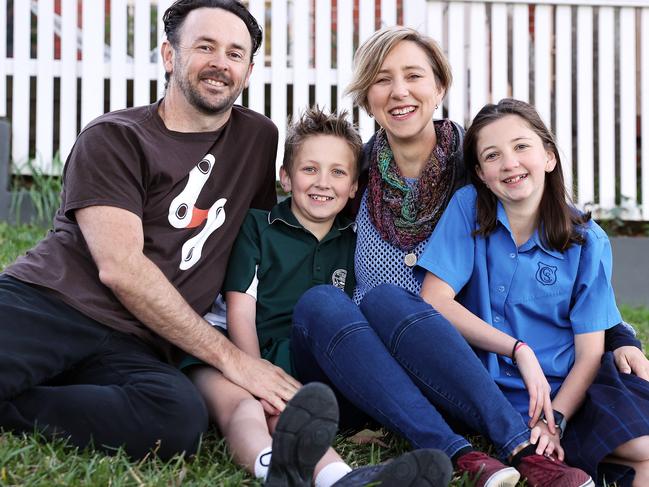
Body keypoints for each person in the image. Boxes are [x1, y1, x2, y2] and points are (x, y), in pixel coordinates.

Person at [290, 26, 647, 487]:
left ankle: (511, 447)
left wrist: (621, 337)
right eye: (382, 79)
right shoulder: (352, 169)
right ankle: (471, 452)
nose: (399, 91)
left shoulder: (474, 161)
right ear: (367, 96)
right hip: (376, 357)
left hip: (456, 367)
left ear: (439, 87)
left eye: (414, 76)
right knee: (354, 299)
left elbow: (568, 251)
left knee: (391, 298)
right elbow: (301, 210)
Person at [0, 0, 301, 460]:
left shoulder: (258, 139)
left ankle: (18, 405)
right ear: (169, 55)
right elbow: (121, 269)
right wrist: (236, 362)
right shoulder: (115, 137)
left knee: (177, 420)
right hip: (52, 303)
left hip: (138, 339)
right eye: (206, 46)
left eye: (236, 53)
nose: (221, 62)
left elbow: (254, 244)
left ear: (249, 68)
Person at [183, 106, 453, 487]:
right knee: (247, 406)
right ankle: (268, 468)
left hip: (301, 364)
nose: (322, 182)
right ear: (286, 178)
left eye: (338, 172)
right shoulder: (260, 227)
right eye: (310, 169)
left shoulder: (354, 240)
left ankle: (341, 478)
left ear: (354, 187)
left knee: (298, 417)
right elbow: (241, 310)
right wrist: (254, 373)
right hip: (235, 352)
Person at [417, 98, 649, 486]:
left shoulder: (587, 240)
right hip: (488, 388)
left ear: (549, 157)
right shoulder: (468, 207)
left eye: (521, 146)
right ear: (481, 173)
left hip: (568, 389)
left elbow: (590, 352)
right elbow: (434, 299)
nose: (509, 162)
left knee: (644, 449)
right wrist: (515, 348)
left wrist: (555, 417)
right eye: (493, 155)